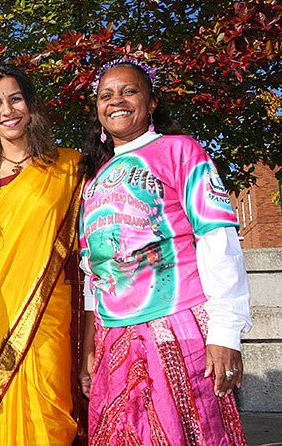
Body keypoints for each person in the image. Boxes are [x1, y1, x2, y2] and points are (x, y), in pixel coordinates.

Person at [78, 57, 251, 444]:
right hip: (114, 338)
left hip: (179, 327)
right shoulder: (93, 181)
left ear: (151, 102)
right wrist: (88, 348)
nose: (117, 101)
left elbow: (217, 237)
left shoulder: (181, 152)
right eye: (106, 95)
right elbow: (94, 273)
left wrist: (226, 332)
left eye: (129, 91)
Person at [0, 64, 83, 445]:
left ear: (30, 105)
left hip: (49, 319)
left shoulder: (70, 167)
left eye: (15, 98)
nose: (7, 110)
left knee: (48, 414)